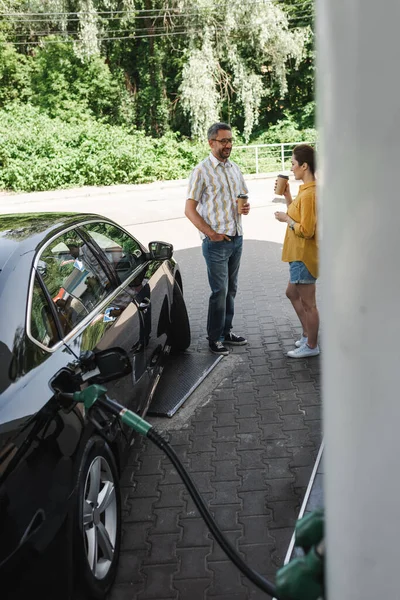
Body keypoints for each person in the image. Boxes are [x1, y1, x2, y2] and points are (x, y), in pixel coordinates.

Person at [185, 122, 250, 356]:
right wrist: (211, 234)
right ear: (211, 143)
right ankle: (215, 338)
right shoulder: (201, 171)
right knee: (219, 291)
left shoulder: (234, 168)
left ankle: (226, 331)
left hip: (236, 237)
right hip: (215, 243)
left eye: (230, 140)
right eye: (223, 141)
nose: (228, 145)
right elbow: (189, 209)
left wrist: (244, 208)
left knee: (231, 289)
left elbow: (241, 197)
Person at [274, 144, 320, 358]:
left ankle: (312, 346)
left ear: (304, 165)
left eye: (293, 164)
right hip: (297, 255)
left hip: (303, 255)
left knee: (309, 304)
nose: (291, 168)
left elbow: (307, 230)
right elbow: (298, 214)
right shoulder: (304, 191)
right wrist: (287, 196)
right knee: (291, 293)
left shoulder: (310, 194)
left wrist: (286, 219)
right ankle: (307, 335)